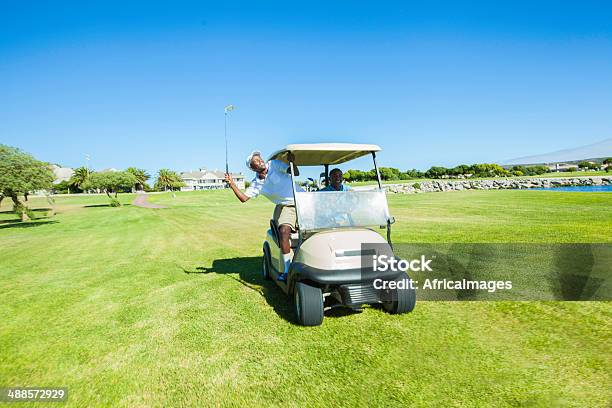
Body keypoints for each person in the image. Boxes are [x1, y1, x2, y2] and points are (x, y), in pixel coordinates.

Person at [225, 151, 302, 282]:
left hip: (303, 200)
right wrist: (232, 184)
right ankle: (287, 270)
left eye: (260, 158)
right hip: (287, 206)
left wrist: (292, 162)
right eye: (256, 161)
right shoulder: (256, 184)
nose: (260, 161)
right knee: (283, 231)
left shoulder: (274, 164)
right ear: (252, 167)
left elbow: (295, 172)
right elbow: (243, 198)